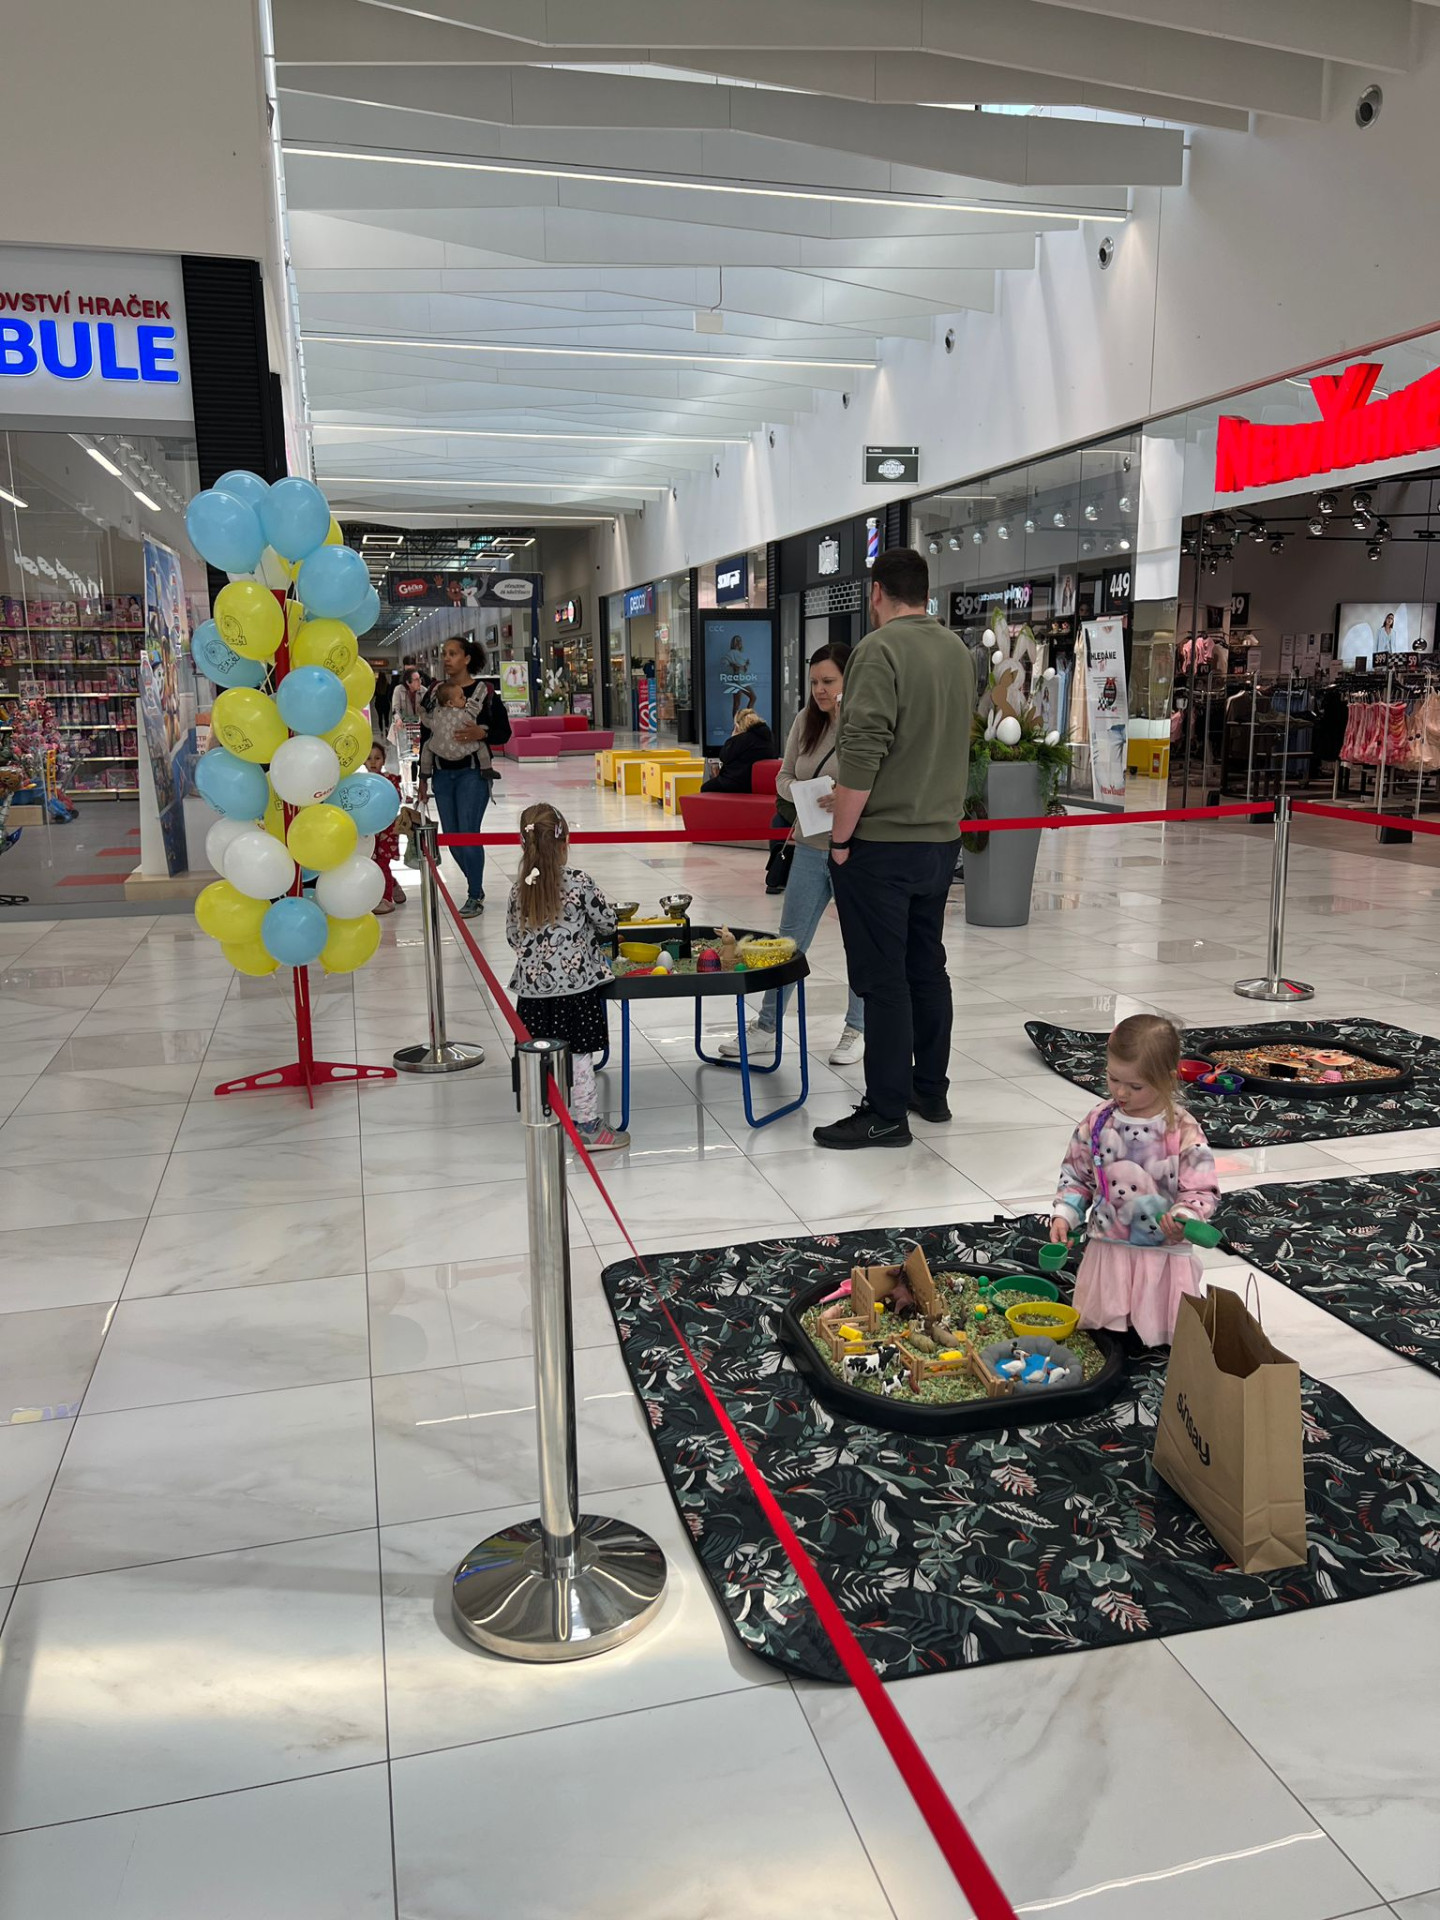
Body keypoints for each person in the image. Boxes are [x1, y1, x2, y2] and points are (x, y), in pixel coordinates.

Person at [813, 546, 975, 1151]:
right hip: (940, 839)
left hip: (882, 844)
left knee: (883, 981)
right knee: (926, 968)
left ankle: (884, 1112)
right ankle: (928, 1090)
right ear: (925, 592)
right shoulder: (956, 650)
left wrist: (840, 839)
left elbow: (863, 753)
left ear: (877, 592)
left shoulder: (878, 650)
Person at [720, 644, 863, 1067]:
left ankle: (857, 1028)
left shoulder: (863, 722)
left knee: (861, 943)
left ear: (849, 680)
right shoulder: (805, 721)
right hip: (809, 848)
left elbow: (879, 779)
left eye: (829, 681)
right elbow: (783, 776)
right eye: (815, 682)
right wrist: (804, 792)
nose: (820, 690)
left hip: (855, 850)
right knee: (788, 941)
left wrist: (845, 796)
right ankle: (766, 1027)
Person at [1050, 1014, 1220, 1346]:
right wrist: (1065, 1213)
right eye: (1113, 1078)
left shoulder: (1182, 1129)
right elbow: (1077, 1173)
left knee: (1163, 1334)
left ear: (1168, 1079)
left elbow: (1201, 1187)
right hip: (1109, 1245)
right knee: (1103, 1335)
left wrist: (1185, 1216)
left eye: (1135, 1086)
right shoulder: (1099, 1121)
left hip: (1162, 1251)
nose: (1120, 1091)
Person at [506, 802, 628, 1152]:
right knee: (579, 1058)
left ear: (523, 843)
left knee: (538, 1058)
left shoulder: (520, 888)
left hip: (532, 993)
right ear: (564, 842)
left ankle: (542, 1118)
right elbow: (607, 922)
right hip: (576, 990)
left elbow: (513, 937)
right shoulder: (579, 882)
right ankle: (588, 1126)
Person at [418, 638, 511, 917]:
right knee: (452, 838)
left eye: (453, 653)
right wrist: (422, 778)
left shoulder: (485, 692)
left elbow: (503, 732)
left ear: (467, 658)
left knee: (468, 833)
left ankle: (474, 893)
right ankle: (475, 883)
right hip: (442, 774)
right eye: (444, 654)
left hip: (472, 773)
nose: (446, 659)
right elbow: (426, 735)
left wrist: (482, 733)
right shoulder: (435, 692)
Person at [364, 740, 406, 915]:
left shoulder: (390, 780)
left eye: (377, 758)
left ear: (384, 760)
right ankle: (393, 885)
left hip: (387, 830)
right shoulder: (361, 783)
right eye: (369, 758)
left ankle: (387, 899)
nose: (373, 762)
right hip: (369, 831)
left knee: (383, 863)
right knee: (374, 863)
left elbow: (395, 801)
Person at [700, 708, 774, 793]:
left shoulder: (743, 739)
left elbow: (724, 756)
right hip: (756, 783)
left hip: (735, 783)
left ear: (738, 725)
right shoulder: (766, 738)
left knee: (705, 788)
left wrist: (733, 737)